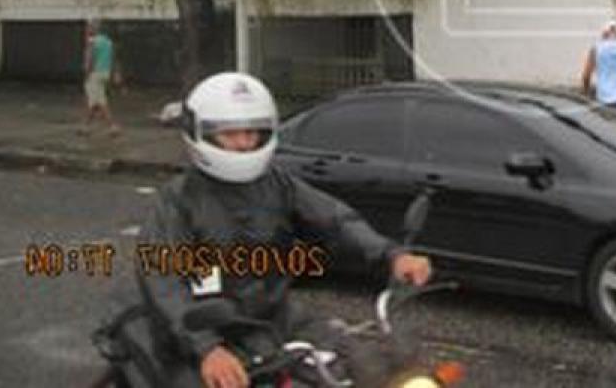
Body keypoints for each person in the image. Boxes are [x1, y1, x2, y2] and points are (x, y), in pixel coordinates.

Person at [124, 72, 431, 388]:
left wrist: (392, 254)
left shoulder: (277, 184)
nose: (245, 143)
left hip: (272, 317)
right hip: (204, 330)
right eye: (230, 134)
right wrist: (207, 348)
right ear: (198, 134)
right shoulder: (179, 200)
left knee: (363, 361)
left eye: (253, 132)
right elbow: (163, 280)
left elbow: (336, 219)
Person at [81, 19, 120, 137]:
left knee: (99, 102)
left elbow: (90, 59)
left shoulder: (92, 42)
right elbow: (113, 59)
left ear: (93, 29)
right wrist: (115, 73)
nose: (87, 30)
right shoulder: (108, 42)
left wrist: (87, 73)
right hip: (105, 73)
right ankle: (85, 126)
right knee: (95, 101)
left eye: (89, 27)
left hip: (95, 74)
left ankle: (112, 126)